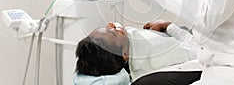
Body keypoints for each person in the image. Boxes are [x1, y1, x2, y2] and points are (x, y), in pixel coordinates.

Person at [73, 22, 202, 85]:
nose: (111, 25)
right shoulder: (154, 60)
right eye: (112, 31)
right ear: (125, 53)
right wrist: (170, 27)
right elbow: (201, 51)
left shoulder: (126, 43)